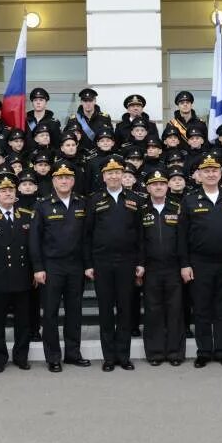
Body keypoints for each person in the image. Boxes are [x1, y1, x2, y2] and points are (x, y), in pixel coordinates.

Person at [179, 154, 222, 368]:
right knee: (203, 309)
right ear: (199, 175)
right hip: (199, 263)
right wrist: (185, 264)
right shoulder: (189, 200)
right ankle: (204, 351)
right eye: (206, 171)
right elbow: (182, 236)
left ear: (220, 173)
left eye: (215, 170)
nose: (211, 174)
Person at [29, 162, 91, 371]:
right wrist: (38, 267)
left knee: (75, 312)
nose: (64, 181)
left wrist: (87, 264)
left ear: (73, 181)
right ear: (54, 181)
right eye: (59, 178)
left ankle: (73, 353)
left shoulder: (82, 203)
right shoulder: (43, 204)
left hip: (76, 266)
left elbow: (87, 237)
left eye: (68, 178)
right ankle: (53, 356)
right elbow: (34, 239)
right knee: (51, 313)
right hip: (51, 266)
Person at [84, 156, 144, 371]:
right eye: (109, 173)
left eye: (117, 172)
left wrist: (140, 262)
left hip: (127, 262)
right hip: (102, 262)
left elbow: (140, 234)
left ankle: (124, 356)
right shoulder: (94, 200)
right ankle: (109, 357)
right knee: (106, 311)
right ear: (103, 176)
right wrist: (89, 263)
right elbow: (87, 234)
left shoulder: (135, 199)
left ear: (123, 175)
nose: (113, 176)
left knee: (125, 310)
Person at [0, 174, 36, 372]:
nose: (8, 193)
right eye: (3, 191)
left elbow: (34, 248)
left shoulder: (27, 215)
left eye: (11, 190)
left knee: (23, 322)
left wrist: (36, 270)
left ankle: (21, 357)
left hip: (23, 278)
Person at [138, 169, 185, 366]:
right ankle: (155, 352)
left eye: (162, 184)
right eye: (154, 184)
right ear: (148, 187)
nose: (158, 187)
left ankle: (175, 353)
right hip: (151, 268)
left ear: (167, 187)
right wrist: (139, 265)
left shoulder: (177, 208)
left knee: (175, 310)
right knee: (153, 310)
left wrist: (185, 265)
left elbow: (183, 240)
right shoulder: (141, 210)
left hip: (173, 267)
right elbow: (138, 240)